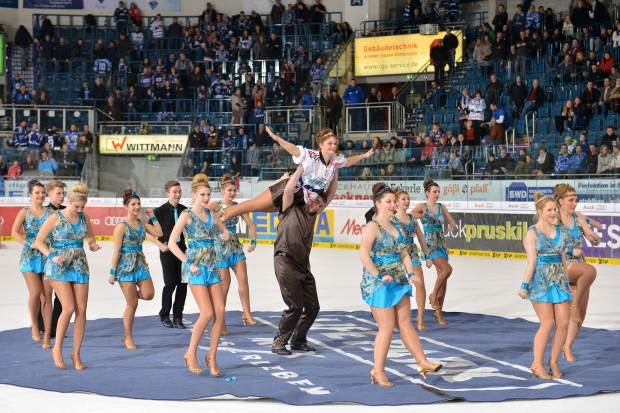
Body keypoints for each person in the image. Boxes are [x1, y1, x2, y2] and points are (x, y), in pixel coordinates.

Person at [360, 183, 442, 386]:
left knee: (405, 322)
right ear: (377, 204)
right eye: (388, 202)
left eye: (393, 202)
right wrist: (379, 276)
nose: (392, 205)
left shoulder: (395, 226)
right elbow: (363, 255)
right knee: (387, 327)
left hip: (398, 279)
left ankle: (422, 362)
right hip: (378, 283)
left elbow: (404, 252)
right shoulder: (372, 227)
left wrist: (411, 272)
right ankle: (377, 371)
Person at [219, 127, 373, 221]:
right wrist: (277, 138)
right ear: (321, 145)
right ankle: (221, 218)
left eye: (334, 143)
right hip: (289, 190)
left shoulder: (335, 161)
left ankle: (222, 214)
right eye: (329, 144)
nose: (333, 146)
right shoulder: (311, 155)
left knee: (256, 209)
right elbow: (293, 149)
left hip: (300, 201)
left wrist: (364, 156)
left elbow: (349, 161)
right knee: (251, 205)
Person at [167, 174, 232, 375]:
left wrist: (224, 234)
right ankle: (190, 353)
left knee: (219, 312)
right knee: (207, 312)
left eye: (208, 194)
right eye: (202, 195)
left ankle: (211, 356)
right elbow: (171, 243)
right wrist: (188, 262)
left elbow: (225, 231)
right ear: (194, 195)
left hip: (212, 266)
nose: (205, 198)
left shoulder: (212, 215)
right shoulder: (186, 215)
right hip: (195, 268)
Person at [271, 165, 338, 355]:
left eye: (319, 205)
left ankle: (298, 341)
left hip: (303, 265)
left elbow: (331, 194)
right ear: (309, 196)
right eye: (316, 202)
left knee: (313, 306)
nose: (317, 206)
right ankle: (278, 343)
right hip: (285, 261)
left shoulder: (314, 214)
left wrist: (335, 169)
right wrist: (302, 166)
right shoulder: (289, 207)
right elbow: (288, 189)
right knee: (295, 306)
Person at [35, 184, 101, 370]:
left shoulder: (84, 217)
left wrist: (92, 245)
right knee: (69, 306)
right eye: (76, 207)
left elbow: (91, 237)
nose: (79, 210)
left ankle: (76, 353)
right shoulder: (55, 217)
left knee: (82, 310)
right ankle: (57, 349)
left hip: (79, 264)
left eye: (82, 207)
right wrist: (52, 256)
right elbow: (39, 241)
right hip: (59, 265)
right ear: (69, 202)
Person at [517, 192, 572, 380]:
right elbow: (531, 262)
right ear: (540, 211)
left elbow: (564, 260)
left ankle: (554, 361)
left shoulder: (561, 231)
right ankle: (537, 364)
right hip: (540, 282)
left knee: (564, 322)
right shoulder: (532, 233)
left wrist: (567, 280)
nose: (553, 212)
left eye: (555, 209)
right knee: (547, 323)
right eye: (549, 210)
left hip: (559, 281)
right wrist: (524, 285)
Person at [109, 189, 163, 350]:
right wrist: (112, 272)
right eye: (133, 204)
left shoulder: (141, 224)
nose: (137, 206)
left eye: (138, 204)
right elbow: (116, 251)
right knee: (132, 304)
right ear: (126, 207)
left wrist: (152, 216)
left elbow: (159, 232)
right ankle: (128, 337)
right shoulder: (121, 226)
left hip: (140, 264)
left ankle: (131, 295)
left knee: (149, 294)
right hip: (125, 268)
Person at [554, 184, 602, 363]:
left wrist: (594, 239)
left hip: (577, 265)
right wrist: (567, 249)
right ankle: (573, 304)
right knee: (590, 271)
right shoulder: (554, 218)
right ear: (561, 201)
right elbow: (549, 242)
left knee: (581, 314)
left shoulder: (578, 218)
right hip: (562, 264)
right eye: (570, 199)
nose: (574, 203)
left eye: (576, 199)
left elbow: (591, 235)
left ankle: (567, 347)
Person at [209, 175, 258, 336]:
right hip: (220, 249)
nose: (232, 193)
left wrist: (253, 241)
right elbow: (203, 216)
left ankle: (247, 312)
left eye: (234, 190)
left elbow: (251, 225)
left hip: (235, 247)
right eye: (229, 190)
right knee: (224, 287)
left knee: (243, 278)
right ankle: (220, 321)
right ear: (222, 191)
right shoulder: (214, 205)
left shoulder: (238, 206)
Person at [11, 180, 54, 349]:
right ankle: (35, 325)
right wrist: (29, 244)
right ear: (30, 194)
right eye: (37, 192)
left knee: (47, 296)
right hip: (29, 256)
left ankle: (48, 333)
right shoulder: (24, 212)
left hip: (47, 256)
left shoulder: (51, 212)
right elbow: (14, 232)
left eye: (43, 192)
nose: (41, 195)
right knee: (35, 293)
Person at [411, 180, 457, 325]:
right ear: (427, 193)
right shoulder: (422, 206)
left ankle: (439, 312)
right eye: (434, 192)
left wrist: (452, 227)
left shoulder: (441, 206)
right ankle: (433, 296)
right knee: (447, 270)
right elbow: (410, 216)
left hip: (441, 244)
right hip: (430, 244)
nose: (437, 194)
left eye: (438, 192)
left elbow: (453, 222)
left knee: (443, 279)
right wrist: (423, 215)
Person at [392, 190, 432, 331]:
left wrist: (427, 257)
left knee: (420, 284)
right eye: (403, 199)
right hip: (397, 256)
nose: (406, 201)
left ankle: (420, 316)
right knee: (399, 288)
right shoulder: (391, 219)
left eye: (408, 199)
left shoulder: (413, 219)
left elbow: (421, 239)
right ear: (396, 203)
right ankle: (398, 317)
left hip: (413, 255)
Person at [151, 181, 188, 329]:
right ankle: (164, 315)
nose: (177, 194)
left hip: (181, 250)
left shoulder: (184, 210)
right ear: (167, 193)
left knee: (182, 284)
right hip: (166, 251)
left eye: (179, 191)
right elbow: (148, 232)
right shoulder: (158, 211)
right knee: (170, 283)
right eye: (174, 192)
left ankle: (178, 317)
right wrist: (160, 245)